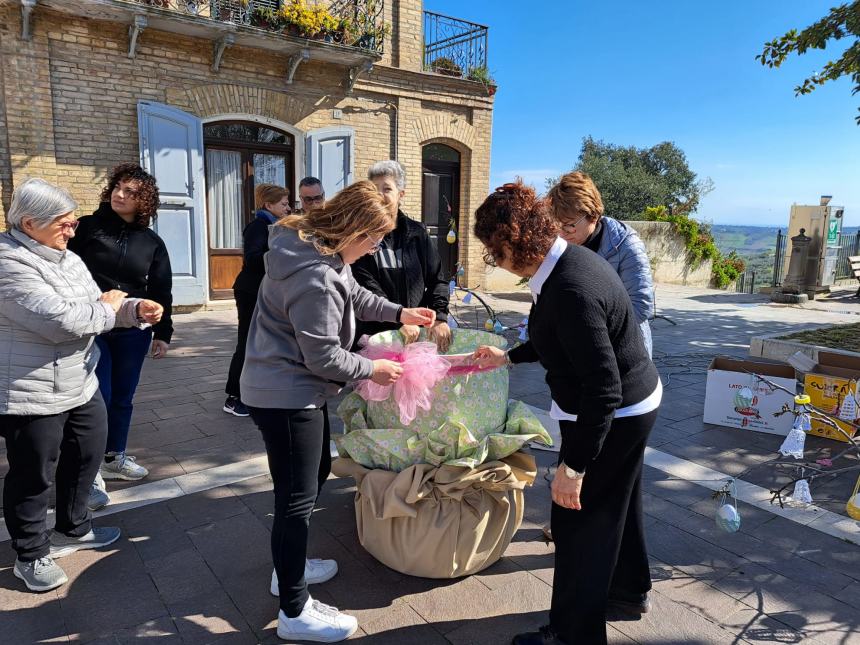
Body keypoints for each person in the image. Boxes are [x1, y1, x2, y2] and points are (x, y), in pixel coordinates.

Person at [240, 180, 435, 643]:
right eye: (374, 238)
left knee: (309, 478)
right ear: (353, 229)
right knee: (296, 499)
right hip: (287, 394)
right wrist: (374, 369)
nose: (376, 248)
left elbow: (358, 298)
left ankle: (288, 567)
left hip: (287, 389)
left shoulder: (319, 252)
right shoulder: (315, 275)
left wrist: (401, 313)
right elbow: (324, 357)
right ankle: (294, 609)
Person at [472, 182, 661, 645]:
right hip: (635, 401)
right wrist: (508, 357)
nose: (494, 262)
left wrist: (573, 466)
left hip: (616, 412)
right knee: (617, 503)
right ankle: (626, 592)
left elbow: (602, 387)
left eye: (493, 253)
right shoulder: (566, 265)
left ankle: (572, 635)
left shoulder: (570, 287)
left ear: (515, 244)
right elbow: (561, 337)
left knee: (578, 523)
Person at [0, 178, 163, 592]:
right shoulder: (8, 261)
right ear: (29, 222)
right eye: (64, 224)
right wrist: (107, 308)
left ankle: (72, 529)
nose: (73, 230)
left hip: (79, 379)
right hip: (31, 390)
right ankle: (31, 554)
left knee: (86, 455)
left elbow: (101, 302)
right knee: (33, 474)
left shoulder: (66, 257)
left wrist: (135, 309)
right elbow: (62, 322)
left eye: (73, 222)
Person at [69, 163, 173, 485]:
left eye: (130, 192)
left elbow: (160, 290)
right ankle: (89, 468)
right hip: (91, 327)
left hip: (132, 331)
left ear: (144, 201)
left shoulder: (152, 242)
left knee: (123, 397)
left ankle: (114, 457)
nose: (120, 194)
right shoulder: (86, 228)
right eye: (117, 187)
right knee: (98, 395)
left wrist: (163, 333)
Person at [547, 171, 654, 357]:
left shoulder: (627, 245)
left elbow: (641, 305)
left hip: (624, 352)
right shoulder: (562, 245)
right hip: (581, 349)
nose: (563, 233)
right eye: (558, 225)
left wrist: (590, 331)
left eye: (570, 225)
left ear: (593, 216)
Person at [352, 160, 451, 351]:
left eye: (387, 188)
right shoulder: (361, 236)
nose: (379, 195)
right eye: (374, 189)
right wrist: (398, 320)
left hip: (415, 335)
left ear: (401, 194)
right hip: (376, 336)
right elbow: (365, 285)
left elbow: (437, 279)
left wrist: (439, 316)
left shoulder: (417, 233)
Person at [223, 183, 291, 417]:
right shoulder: (258, 226)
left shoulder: (275, 226)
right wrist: (283, 255)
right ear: (268, 205)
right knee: (247, 340)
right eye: (283, 204)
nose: (288, 207)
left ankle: (256, 390)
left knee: (263, 341)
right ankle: (233, 397)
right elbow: (252, 259)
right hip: (250, 292)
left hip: (265, 292)